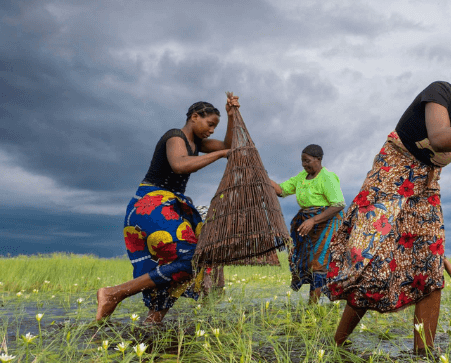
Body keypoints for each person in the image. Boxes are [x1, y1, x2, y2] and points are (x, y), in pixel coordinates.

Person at [325, 65, 451, 354]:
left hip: (426, 187)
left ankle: (424, 357)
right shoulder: (440, 93)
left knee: (430, 266)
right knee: (372, 262)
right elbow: (440, 137)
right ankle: (337, 345)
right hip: (390, 177)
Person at [96, 96, 239, 323]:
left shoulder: (198, 145)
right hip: (150, 203)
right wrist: (221, 155)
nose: (212, 130)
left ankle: (152, 319)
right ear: (194, 117)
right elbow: (180, 165)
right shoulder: (175, 136)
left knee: (187, 262)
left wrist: (231, 117)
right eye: (210, 124)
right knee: (191, 257)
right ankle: (113, 294)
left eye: (215, 126)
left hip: (170, 204)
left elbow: (228, 145)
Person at [270, 144, 345, 304]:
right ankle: (313, 302)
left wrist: (313, 220)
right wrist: (263, 177)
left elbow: (338, 204)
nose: (304, 164)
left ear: (318, 159)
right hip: (306, 224)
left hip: (326, 223)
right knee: (305, 261)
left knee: (319, 263)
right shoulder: (301, 177)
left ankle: (312, 307)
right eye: (302, 161)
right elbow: (281, 190)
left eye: (308, 161)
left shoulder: (328, 177)